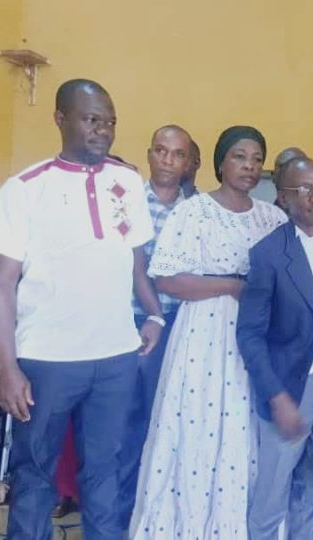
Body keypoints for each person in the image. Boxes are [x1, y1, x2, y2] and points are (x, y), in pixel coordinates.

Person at [0, 79, 154, 540]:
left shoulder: (129, 183)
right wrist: (7, 368)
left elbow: (135, 262)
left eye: (110, 122)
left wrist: (153, 315)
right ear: (60, 119)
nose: (103, 130)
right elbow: (0, 286)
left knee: (106, 472)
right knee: (35, 475)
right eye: (92, 120)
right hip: (47, 361)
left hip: (115, 358)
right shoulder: (24, 189)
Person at [130, 125, 287, 539]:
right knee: (196, 428)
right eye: (239, 157)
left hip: (256, 340)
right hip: (203, 335)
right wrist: (231, 286)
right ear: (220, 162)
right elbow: (166, 279)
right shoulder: (193, 211)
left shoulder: (273, 217)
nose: (249, 166)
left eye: (256, 159)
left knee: (245, 431)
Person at [238, 156, 313, 540]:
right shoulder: (269, 254)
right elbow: (250, 334)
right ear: (284, 199)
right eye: (304, 189)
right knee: (273, 488)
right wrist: (277, 397)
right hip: (292, 385)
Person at [116, 124, 195, 528]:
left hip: (179, 328)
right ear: (149, 154)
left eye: (177, 154)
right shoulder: (126, 204)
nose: (167, 160)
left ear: (188, 163)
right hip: (127, 323)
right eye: (161, 151)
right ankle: (121, 519)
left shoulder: (196, 211)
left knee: (165, 423)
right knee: (128, 422)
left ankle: (155, 519)